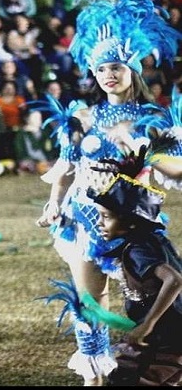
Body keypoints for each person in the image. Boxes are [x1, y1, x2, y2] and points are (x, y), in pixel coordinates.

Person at [34, 0, 182, 386]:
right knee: (89, 303)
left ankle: (158, 361)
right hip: (83, 220)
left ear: (132, 70)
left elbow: (176, 169)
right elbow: (66, 167)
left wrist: (148, 151)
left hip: (130, 225)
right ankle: (95, 377)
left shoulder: (154, 121)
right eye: (100, 69)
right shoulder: (82, 115)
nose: (107, 75)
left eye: (115, 67)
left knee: (151, 300)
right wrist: (54, 203)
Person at [85, 150, 182, 386]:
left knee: (128, 380)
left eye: (106, 217)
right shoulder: (150, 240)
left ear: (130, 221)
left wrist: (147, 324)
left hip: (167, 335)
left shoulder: (139, 249)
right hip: (168, 333)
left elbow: (175, 280)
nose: (100, 223)